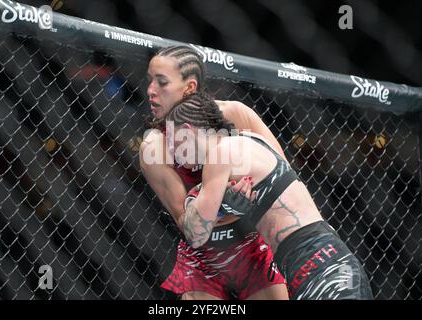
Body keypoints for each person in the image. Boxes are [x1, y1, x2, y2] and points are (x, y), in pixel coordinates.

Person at [165, 92, 374, 300]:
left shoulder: (219, 154)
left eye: (172, 140)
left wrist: (206, 204)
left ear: (186, 131)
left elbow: (196, 234)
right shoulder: (253, 140)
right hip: (329, 256)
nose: (171, 150)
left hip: (315, 263)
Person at [140, 45, 289, 300]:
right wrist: (224, 205)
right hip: (203, 258)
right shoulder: (154, 146)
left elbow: (284, 180)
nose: (150, 91)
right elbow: (188, 225)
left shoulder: (235, 114)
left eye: (161, 82)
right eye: (150, 81)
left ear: (189, 88)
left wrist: (247, 199)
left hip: (253, 243)